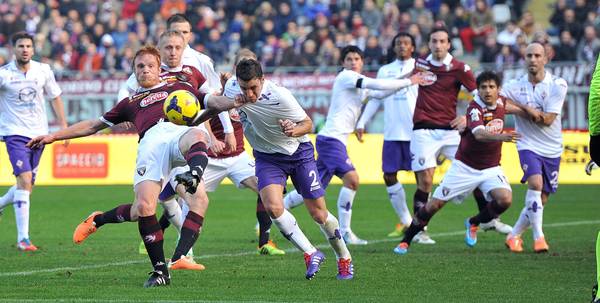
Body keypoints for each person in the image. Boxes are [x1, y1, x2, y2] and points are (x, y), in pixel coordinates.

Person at [27, 45, 241, 287]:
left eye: (150, 66)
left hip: (179, 136)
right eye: (140, 66)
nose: (145, 70)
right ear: (134, 71)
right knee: (143, 208)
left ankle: (194, 174)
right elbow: (92, 125)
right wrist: (53, 136)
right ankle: (157, 269)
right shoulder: (130, 102)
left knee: (197, 135)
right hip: (151, 144)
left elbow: (213, 102)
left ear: (160, 69)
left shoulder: (181, 87)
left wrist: (237, 100)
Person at [205, 58, 355, 280]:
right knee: (273, 207)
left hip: (298, 153)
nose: (249, 95)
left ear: (263, 80)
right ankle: (311, 253)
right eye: (245, 88)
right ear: (238, 82)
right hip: (267, 157)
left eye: (254, 88)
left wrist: (293, 130)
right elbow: (215, 105)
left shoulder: (280, 95)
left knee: (318, 213)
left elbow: (307, 124)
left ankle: (344, 258)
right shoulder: (232, 88)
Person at [282, 45, 426, 245]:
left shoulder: (358, 84)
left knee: (313, 189)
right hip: (331, 140)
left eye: (357, 58)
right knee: (352, 179)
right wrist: (409, 80)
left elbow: (379, 94)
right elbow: (377, 85)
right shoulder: (346, 77)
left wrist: (407, 80)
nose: (353, 62)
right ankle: (346, 232)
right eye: (349, 59)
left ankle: (274, 209)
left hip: (333, 140)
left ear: (362, 61)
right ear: (343, 63)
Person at [158, 48, 285, 256]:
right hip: (212, 157)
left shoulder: (258, 93)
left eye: (251, 63)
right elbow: (204, 114)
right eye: (243, 63)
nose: (247, 68)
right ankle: (164, 235)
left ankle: (265, 242)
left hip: (238, 156)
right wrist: (215, 137)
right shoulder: (220, 91)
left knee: (266, 187)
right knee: (184, 195)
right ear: (236, 67)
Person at [394, 71, 524, 255]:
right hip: (465, 167)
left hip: (490, 168)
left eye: (491, 87)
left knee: (505, 200)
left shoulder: (502, 101)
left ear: (498, 89)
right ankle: (406, 240)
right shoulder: (474, 109)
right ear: (477, 90)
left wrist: (535, 113)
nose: (487, 91)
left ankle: (473, 222)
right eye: (483, 87)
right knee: (434, 205)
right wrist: (502, 136)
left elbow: (516, 108)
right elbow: (479, 134)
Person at [406, 26, 511, 247]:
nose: (437, 45)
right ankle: (420, 230)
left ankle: (488, 219)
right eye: (433, 41)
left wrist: (467, 117)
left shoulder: (459, 68)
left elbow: (479, 96)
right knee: (426, 179)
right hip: (423, 129)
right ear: (429, 43)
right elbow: (402, 80)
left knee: (474, 167)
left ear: (448, 44)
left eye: (442, 41)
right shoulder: (419, 64)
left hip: (451, 130)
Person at [0, 31, 68, 251]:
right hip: (14, 133)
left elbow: (54, 96)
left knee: (27, 187)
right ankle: (23, 239)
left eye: (28, 46)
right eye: (20, 46)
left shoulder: (43, 71)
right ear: (13, 49)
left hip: (39, 133)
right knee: (25, 178)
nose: (25, 50)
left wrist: (63, 126)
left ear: (33, 49)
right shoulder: (4, 75)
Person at [501, 42, 568, 253]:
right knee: (535, 184)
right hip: (527, 144)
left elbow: (547, 119)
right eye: (529, 55)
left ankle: (514, 235)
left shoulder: (557, 85)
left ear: (545, 59)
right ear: (524, 59)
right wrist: (525, 109)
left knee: (542, 198)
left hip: (552, 147)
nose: (533, 59)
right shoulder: (514, 85)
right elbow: (498, 103)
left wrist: (522, 109)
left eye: (537, 55)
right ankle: (539, 238)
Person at [355, 32, 420, 238]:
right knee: (389, 175)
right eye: (398, 43)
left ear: (413, 47)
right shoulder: (385, 70)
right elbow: (375, 98)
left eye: (406, 43)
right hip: (392, 132)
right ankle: (407, 221)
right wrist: (362, 122)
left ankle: (421, 227)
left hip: (416, 132)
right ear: (393, 47)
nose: (402, 46)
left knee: (423, 180)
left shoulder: (421, 68)